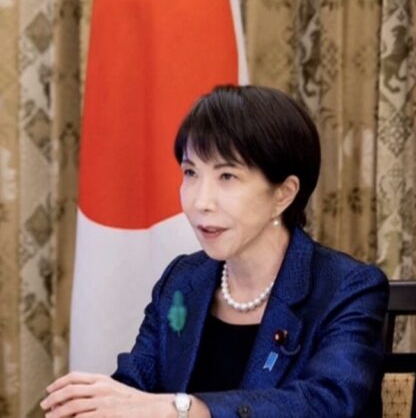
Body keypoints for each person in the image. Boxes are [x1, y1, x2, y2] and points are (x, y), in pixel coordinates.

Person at [41, 85, 388, 418]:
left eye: (227, 177)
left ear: (283, 194)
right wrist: (94, 405)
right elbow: (136, 385)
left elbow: (329, 403)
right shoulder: (182, 280)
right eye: (191, 172)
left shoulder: (347, 288)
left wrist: (186, 410)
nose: (200, 201)